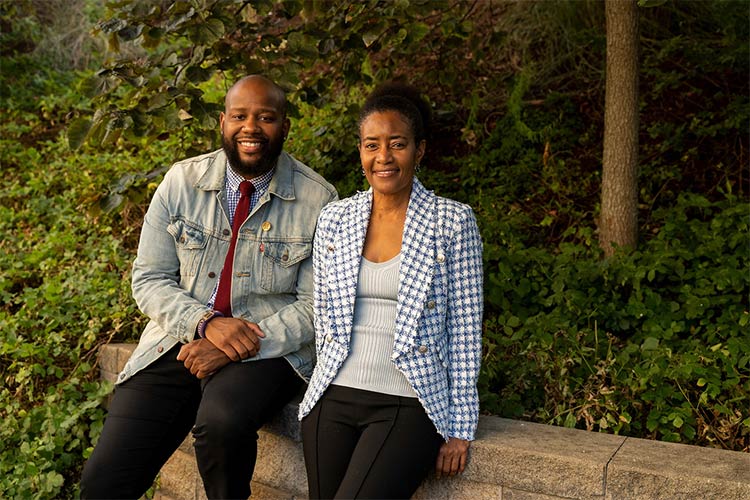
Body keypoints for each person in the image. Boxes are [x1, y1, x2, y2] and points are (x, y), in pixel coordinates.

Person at [80, 75, 337, 500]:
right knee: (104, 481)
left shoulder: (319, 200)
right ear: (222, 121)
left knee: (220, 423)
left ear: (285, 127)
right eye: (239, 116)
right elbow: (149, 278)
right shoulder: (182, 182)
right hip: (179, 340)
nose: (250, 128)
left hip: (269, 349)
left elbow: (317, 306)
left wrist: (235, 343)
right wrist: (206, 325)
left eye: (265, 117)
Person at [298, 82, 484, 499]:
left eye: (397, 144)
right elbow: (324, 316)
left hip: (408, 399)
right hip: (333, 395)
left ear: (419, 150)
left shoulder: (451, 221)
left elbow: (466, 330)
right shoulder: (335, 219)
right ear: (361, 151)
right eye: (371, 145)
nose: (383, 157)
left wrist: (460, 426)